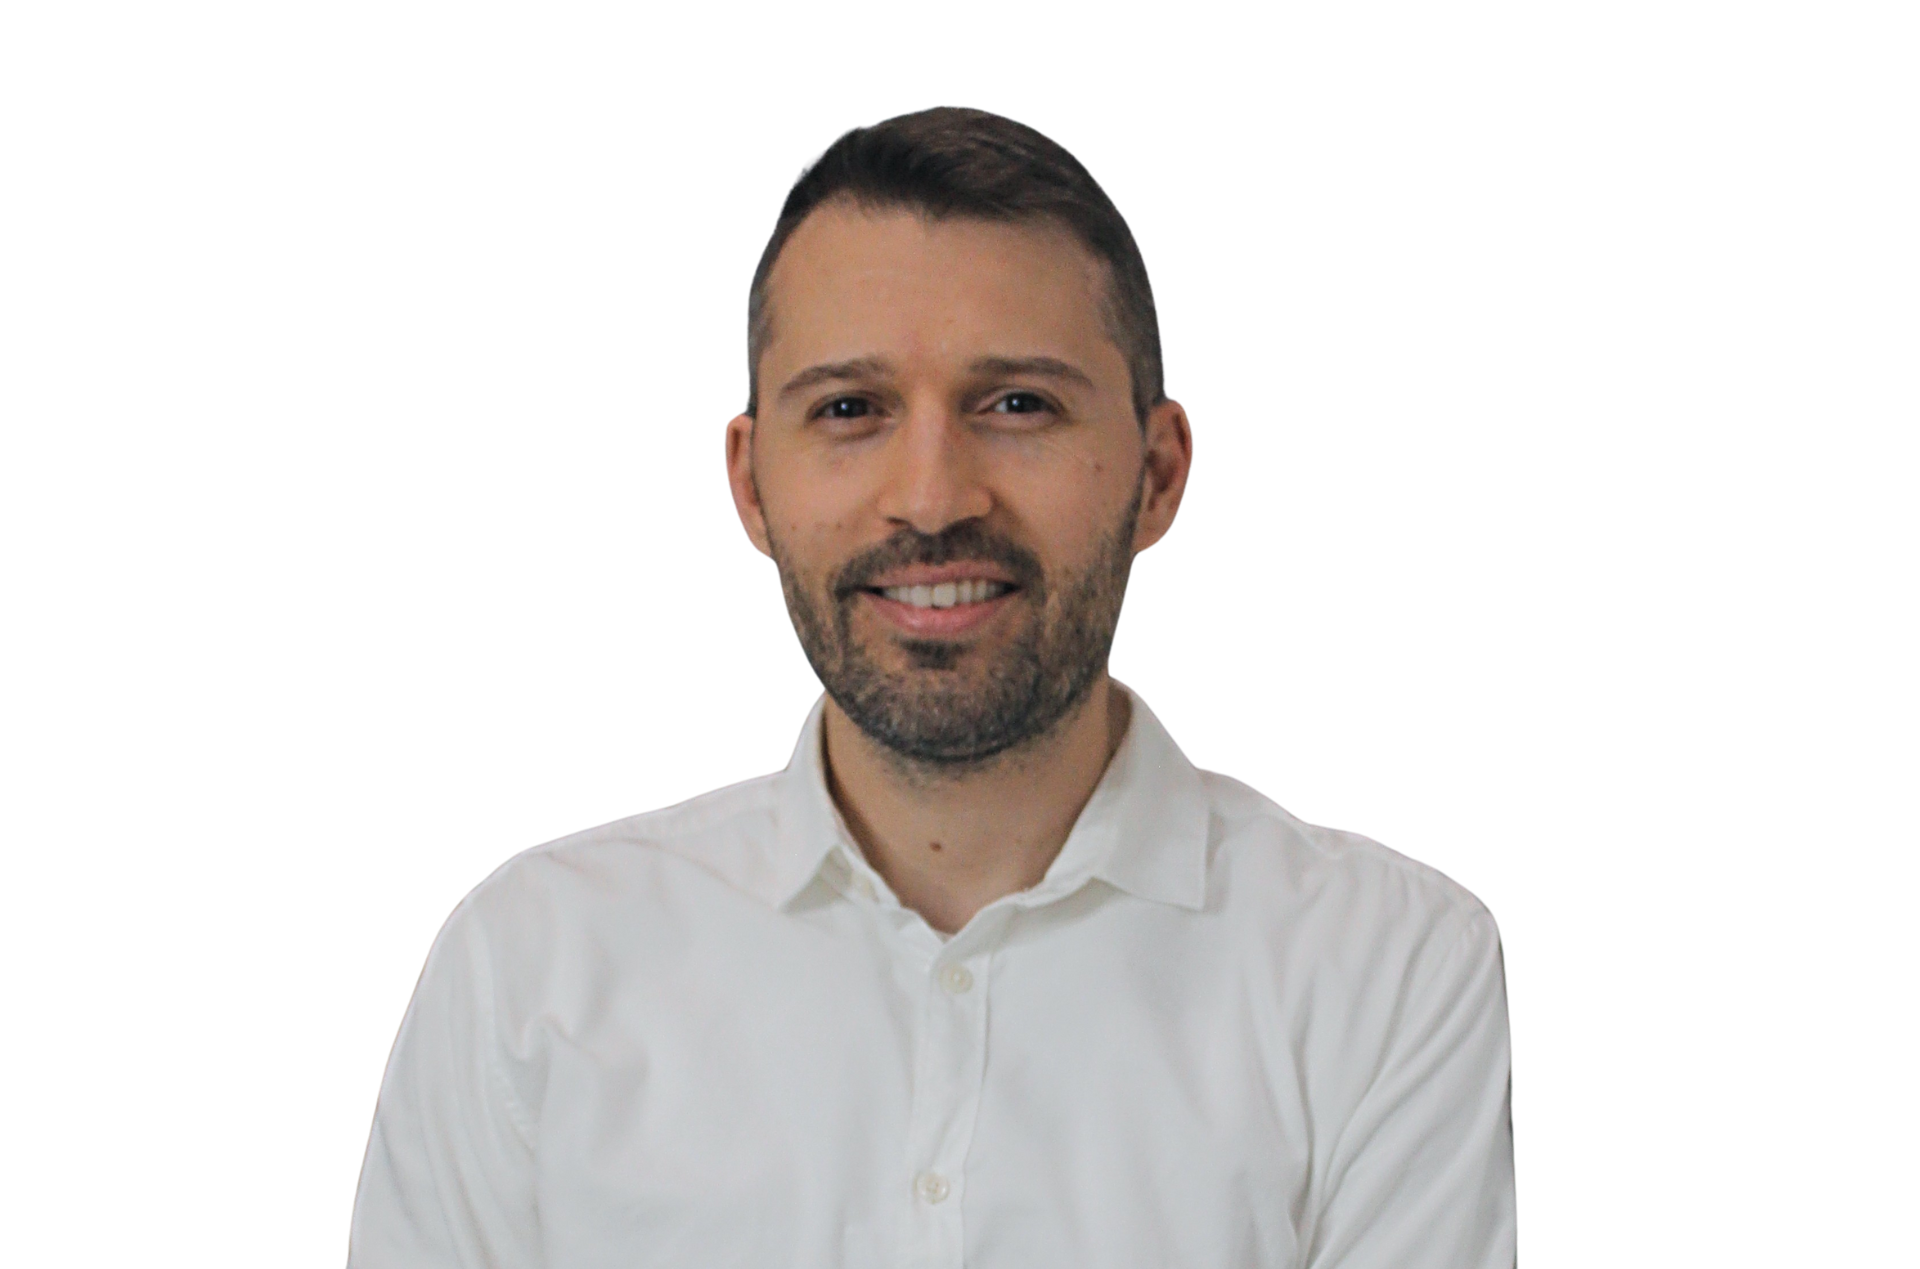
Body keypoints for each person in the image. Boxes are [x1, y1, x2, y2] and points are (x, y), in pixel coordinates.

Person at [348, 107, 1515, 1269]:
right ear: (753, 486)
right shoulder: (532, 968)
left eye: (1017, 405)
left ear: (1156, 475)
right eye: (851, 410)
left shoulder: (1387, 972)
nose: (933, 497)